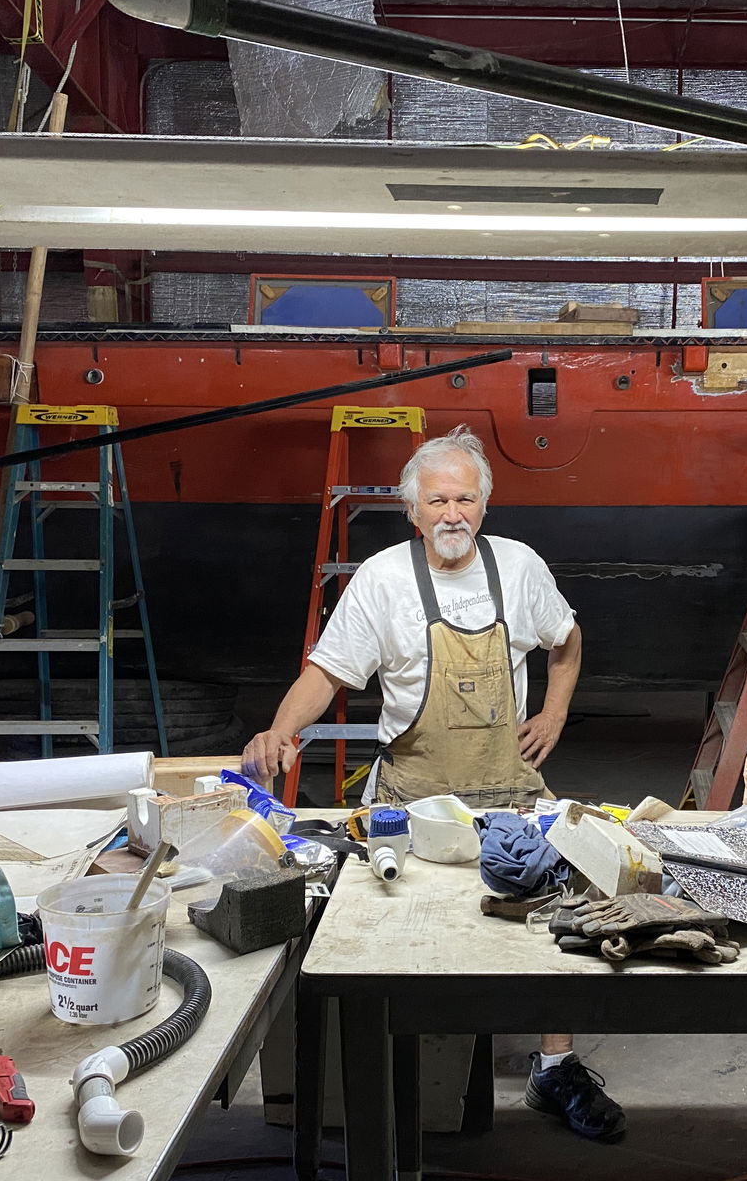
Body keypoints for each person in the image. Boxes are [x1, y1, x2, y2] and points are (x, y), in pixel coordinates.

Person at [242, 424, 625, 1143]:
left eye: (467, 500)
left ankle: (555, 1068)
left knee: (555, 915)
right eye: (438, 501)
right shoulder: (382, 580)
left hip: (506, 789)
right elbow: (327, 672)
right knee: (395, 927)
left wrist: (553, 712)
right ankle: (399, 1071)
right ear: (412, 511)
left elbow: (566, 640)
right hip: (411, 795)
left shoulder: (518, 567)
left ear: (485, 505)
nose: (453, 514)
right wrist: (280, 731)